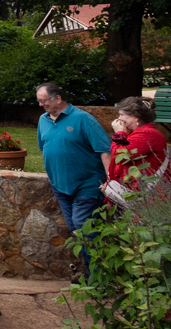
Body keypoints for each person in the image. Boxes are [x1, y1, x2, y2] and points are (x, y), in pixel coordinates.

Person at [36, 82, 110, 274]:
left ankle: (98, 275)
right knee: (77, 230)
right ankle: (92, 272)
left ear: (58, 98)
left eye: (43, 101)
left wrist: (110, 182)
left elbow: (104, 151)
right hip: (61, 187)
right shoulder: (43, 120)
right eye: (39, 101)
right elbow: (45, 148)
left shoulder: (83, 119)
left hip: (87, 185)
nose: (41, 105)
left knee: (84, 228)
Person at [104, 96, 170, 191]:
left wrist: (119, 133)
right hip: (135, 193)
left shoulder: (148, 134)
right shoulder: (134, 133)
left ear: (137, 117)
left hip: (148, 196)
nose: (119, 119)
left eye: (122, 115)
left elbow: (121, 156)